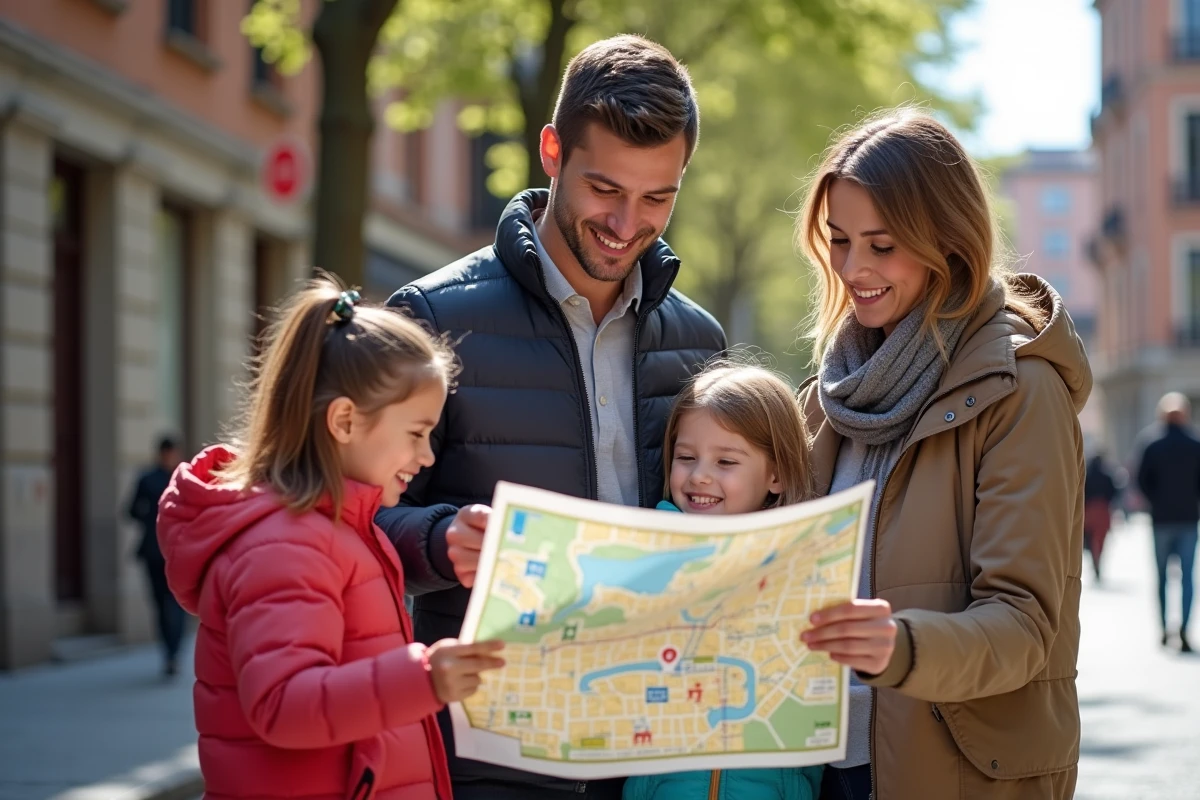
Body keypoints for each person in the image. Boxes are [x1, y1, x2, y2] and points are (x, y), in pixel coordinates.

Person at [377, 34, 726, 800]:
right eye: (605, 188)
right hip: (492, 757)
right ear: (551, 152)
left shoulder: (702, 343)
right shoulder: (431, 319)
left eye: (658, 198)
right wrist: (440, 541)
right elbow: (356, 524)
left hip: (655, 750)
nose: (627, 223)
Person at [795, 109, 1091, 799]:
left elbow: (1024, 625)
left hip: (954, 774)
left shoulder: (1024, 389)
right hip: (825, 772)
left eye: (882, 244)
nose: (853, 268)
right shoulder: (827, 397)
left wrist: (900, 647)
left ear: (948, 244)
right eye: (840, 241)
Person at [156, 278, 505, 800]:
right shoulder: (285, 545)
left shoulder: (340, 530)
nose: (428, 456)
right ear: (343, 420)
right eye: (416, 433)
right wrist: (424, 681)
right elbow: (283, 704)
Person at [622, 363, 826, 800]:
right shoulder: (647, 562)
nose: (699, 476)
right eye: (686, 457)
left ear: (778, 475)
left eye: (726, 461)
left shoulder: (806, 571)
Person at [1135, 392, 1200, 653]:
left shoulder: (1151, 443)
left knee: (1161, 577)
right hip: (1187, 519)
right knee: (1187, 577)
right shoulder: (1195, 443)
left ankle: (1163, 628)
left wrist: (1156, 501)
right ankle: (1183, 628)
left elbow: (1141, 481)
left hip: (1161, 519)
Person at [128, 434, 186, 677]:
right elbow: (131, 510)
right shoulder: (169, 479)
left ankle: (172, 653)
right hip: (161, 551)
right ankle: (169, 653)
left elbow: (132, 512)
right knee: (163, 604)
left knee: (173, 605)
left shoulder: (177, 480)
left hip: (170, 551)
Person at [1083, 449, 1122, 581]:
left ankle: (1095, 561)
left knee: (1089, 538)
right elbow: (1115, 492)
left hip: (1089, 511)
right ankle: (1098, 560)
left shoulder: (1086, 476)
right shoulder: (1107, 476)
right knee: (1100, 540)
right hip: (1103, 510)